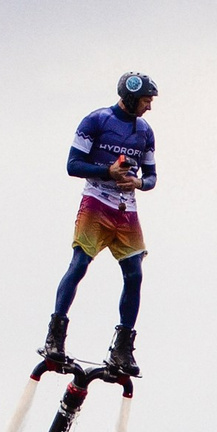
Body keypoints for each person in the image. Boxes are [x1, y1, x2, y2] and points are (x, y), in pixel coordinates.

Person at [42, 73, 158, 375]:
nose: (149, 107)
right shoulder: (97, 120)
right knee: (79, 264)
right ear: (132, 97)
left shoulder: (145, 132)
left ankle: (122, 348)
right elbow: (73, 165)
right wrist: (108, 172)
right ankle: (55, 335)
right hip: (95, 202)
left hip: (126, 210)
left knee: (134, 274)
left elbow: (153, 176)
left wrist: (139, 182)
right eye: (146, 100)